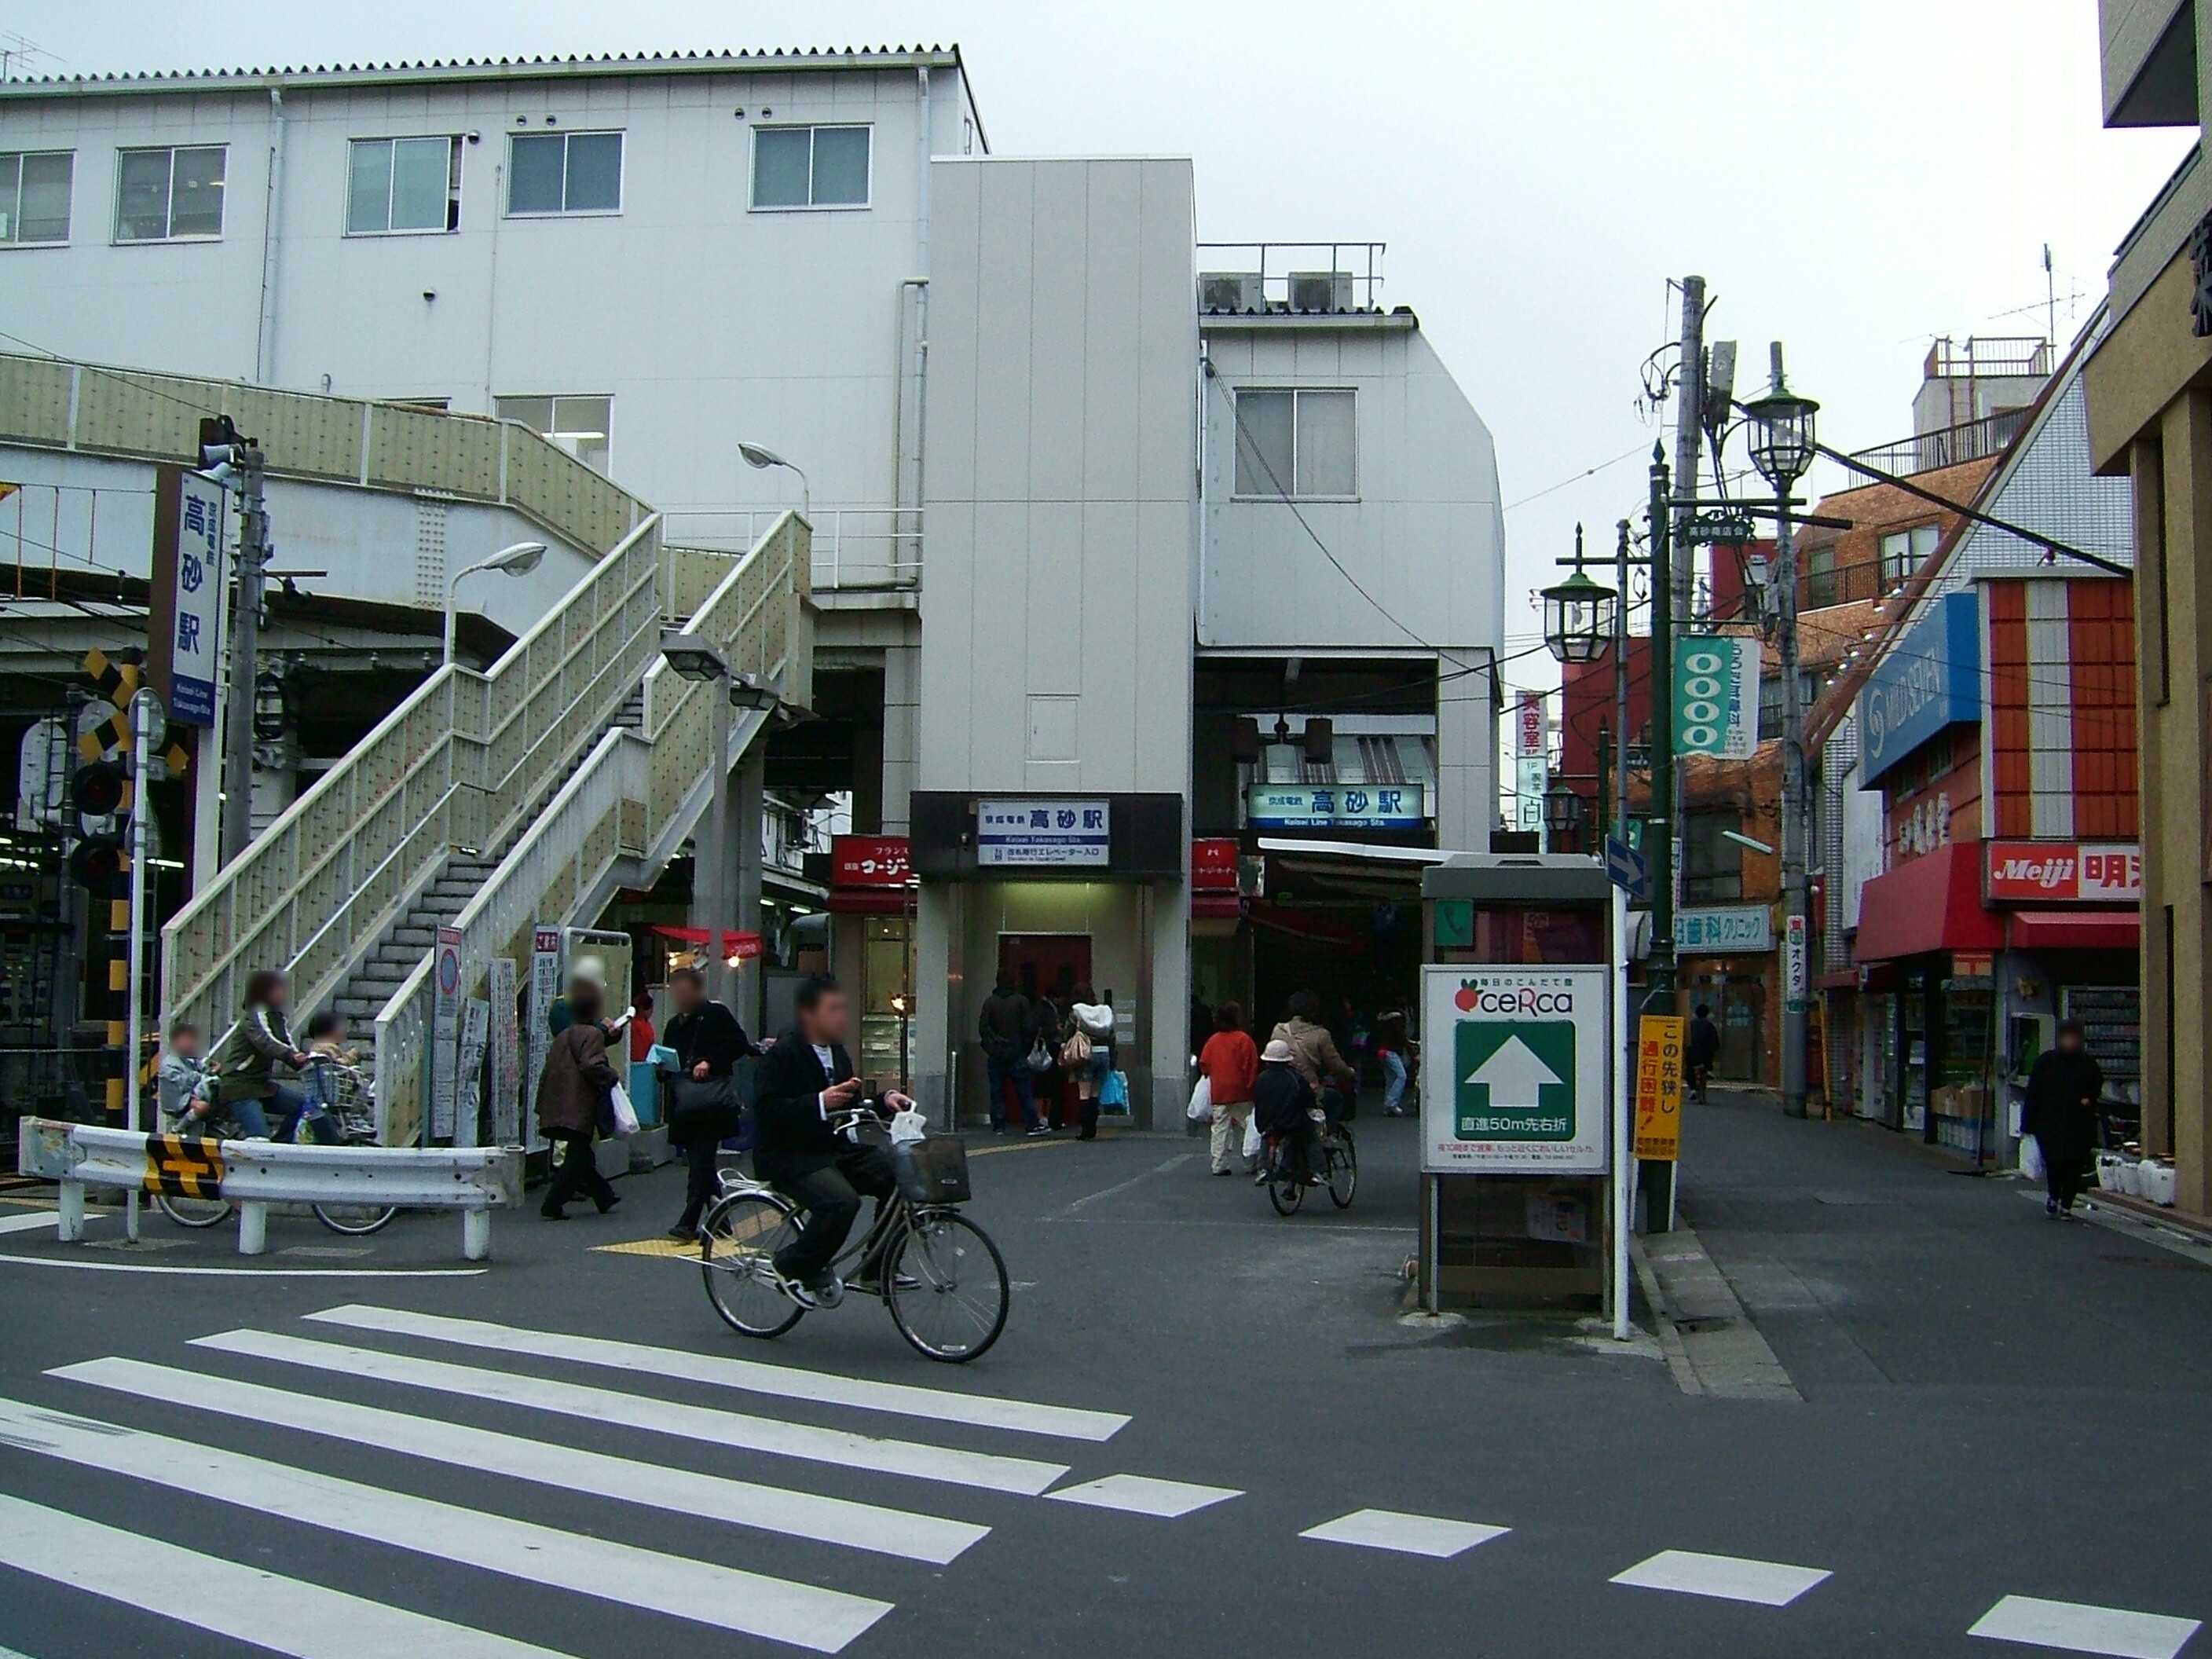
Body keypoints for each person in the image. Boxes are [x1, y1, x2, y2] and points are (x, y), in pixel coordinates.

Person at [753, 973, 914, 1306]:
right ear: (809, 1014)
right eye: (833, 1009)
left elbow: (850, 1104)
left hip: (832, 1148)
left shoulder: (838, 1054)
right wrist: (818, 1102)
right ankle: (793, 1263)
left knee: (901, 1177)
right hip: (790, 1154)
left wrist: (884, 1101)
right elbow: (767, 1110)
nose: (841, 1016)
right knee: (841, 1202)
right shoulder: (783, 1054)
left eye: (842, 1008)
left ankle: (878, 1267)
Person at [661, 966, 752, 1240]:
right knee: (702, 1165)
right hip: (684, 1103)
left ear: (698, 991)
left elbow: (739, 1044)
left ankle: (688, 1222)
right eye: (676, 992)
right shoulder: (674, 1025)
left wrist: (710, 1061)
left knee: (700, 1163)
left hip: (709, 1103)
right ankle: (721, 1222)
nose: (680, 997)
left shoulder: (715, 1015)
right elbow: (669, 1059)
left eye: (685, 991)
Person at [536, 979, 622, 1219]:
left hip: (558, 1101)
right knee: (577, 1156)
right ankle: (552, 1203)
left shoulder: (564, 1035)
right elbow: (591, 1065)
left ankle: (604, 1195)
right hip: (579, 1104)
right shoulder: (592, 1035)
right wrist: (611, 1076)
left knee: (581, 1154)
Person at [211, 970, 319, 1144]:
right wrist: (290, 1055)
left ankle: (281, 1145)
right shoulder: (254, 1015)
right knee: (259, 1138)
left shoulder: (277, 1017)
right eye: (278, 989)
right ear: (264, 991)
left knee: (304, 1107)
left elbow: (286, 1042)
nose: (282, 993)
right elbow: (266, 1041)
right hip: (239, 1086)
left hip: (262, 1084)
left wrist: (304, 1060)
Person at [2024, 1020, 2105, 1218]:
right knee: (2054, 1161)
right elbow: (2034, 1092)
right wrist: (2028, 1123)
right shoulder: (2046, 1062)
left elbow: (2096, 1087)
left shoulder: (2088, 1065)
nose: (2070, 1042)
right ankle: (2053, 1195)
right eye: (2067, 1038)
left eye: (2074, 1038)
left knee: (2074, 1164)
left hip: (2079, 1123)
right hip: (2049, 1122)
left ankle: (2067, 1203)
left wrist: (2089, 1099)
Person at [1272, 991, 1357, 1118]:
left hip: (1280, 1089)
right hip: (1309, 1091)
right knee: (1336, 1099)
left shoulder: (1278, 1029)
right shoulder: (1321, 1034)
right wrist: (1349, 1072)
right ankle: (1327, 1134)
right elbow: (1336, 1065)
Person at [1198, 1002, 1259, 1177]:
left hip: (1219, 1091)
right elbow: (1251, 1065)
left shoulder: (1213, 1040)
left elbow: (1204, 1065)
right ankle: (1250, 1162)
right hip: (1241, 1091)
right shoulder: (1244, 1040)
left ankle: (1219, 1165)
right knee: (1249, 1125)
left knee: (1220, 1128)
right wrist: (1251, 1086)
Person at [977, 972, 1040, 1136]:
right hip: (1016, 1052)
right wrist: (1024, 1049)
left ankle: (999, 1125)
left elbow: (983, 1028)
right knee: (1024, 1091)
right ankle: (1031, 1124)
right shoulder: (1021, 1002)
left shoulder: (990, 1002)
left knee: (997, 1091)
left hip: (996, 1053)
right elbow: (1029, 1028)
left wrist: (991, 1047)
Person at [1252, 1038, 1320, 1187]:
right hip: (1292, 1122)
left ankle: (1263, 1169)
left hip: (1267, 1122)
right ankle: (1319, 1171)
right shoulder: (1295, 1077)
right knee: (1310, 1138)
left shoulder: (1261, 1079)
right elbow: (1307, 1098)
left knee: (1266, 1137)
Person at [300, 1009, 371, 1137]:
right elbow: (342, 1063)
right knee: (356, 1087)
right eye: (339, 1028)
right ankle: (355, 1119)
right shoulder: (327, 1048)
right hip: (330, 1093)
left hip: (321, 1094)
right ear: (330, 1032)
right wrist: (353, 1054)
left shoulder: (317, 1048)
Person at [1065, 985, 1116, 1141]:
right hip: (1104, 1053)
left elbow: (1069, 1031)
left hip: (1086, 1053)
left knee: (1084, 1092)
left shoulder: (1077, 1012)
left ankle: (1085, 1130)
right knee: (1095, 1092)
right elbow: (1112, 1035)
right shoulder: (1104, 1012)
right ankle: (1093, 1127)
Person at [156, 1020, 218, 1130]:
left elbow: (205, 1071)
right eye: (186, 1040)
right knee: (201, 1107)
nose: (190, 1043)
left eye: (193, 1040)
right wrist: (198, 1076)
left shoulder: (193, 1061)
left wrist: (213, 1071)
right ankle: (178, 1129)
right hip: (179, 1100)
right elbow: (181, 1083)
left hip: (194, 1095)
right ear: (174, 1042)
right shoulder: (169, 1063)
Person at [1375, 1010, 1413, 1116]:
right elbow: (1401, 1037)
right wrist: (1412, 1053)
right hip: (1392, 1051)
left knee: (1391, 1078)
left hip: (1382, 1051)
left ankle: (1387, 1106)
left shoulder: (1382, 1020)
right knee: (1402, 1076)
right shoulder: (1397, 1019)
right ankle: (1391, 1103)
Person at [1686, 1004, 1720, 1103]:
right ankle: (1709, 1070)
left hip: (1693, 1054)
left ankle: (1693, 1088)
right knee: (1708, 1056)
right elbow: (1715, 1042)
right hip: (1705, 1056)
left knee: (1688, 1069)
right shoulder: (1709, 1025)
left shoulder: (1691, 1024)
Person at [629, 990, 658, 1064]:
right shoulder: (637, 1024)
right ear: (641, 1008)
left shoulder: (644, 1024)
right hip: (640, 1062)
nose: (652, 1011)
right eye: (650, 1008)